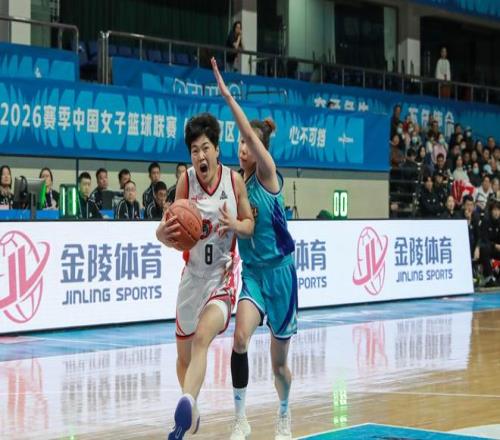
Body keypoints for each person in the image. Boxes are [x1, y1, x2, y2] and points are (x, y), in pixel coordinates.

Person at [212, 57, 297, 440]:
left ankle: (284, 411)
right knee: (240, 339)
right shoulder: (235, 183)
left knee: (279, 366)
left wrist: (228, 97)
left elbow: (247, 128)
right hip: (254, 276)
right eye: (241, 143)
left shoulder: (267, 172)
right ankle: (240, 418)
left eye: (248, 142)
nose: (242, 147)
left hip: (281, 275)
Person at [156, 112, 254, 440]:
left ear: (216, 149)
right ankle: (191, 408)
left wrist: (235, 224)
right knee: (183, 358)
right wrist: (162, 235)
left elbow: (249, 225)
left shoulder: (234, 182)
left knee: (202, 339)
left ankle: (185, 404)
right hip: (192, 277)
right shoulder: (186, 182)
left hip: (221, 279)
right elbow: (171, 230)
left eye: (205, 148)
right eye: (194, 150)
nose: (200, 155)